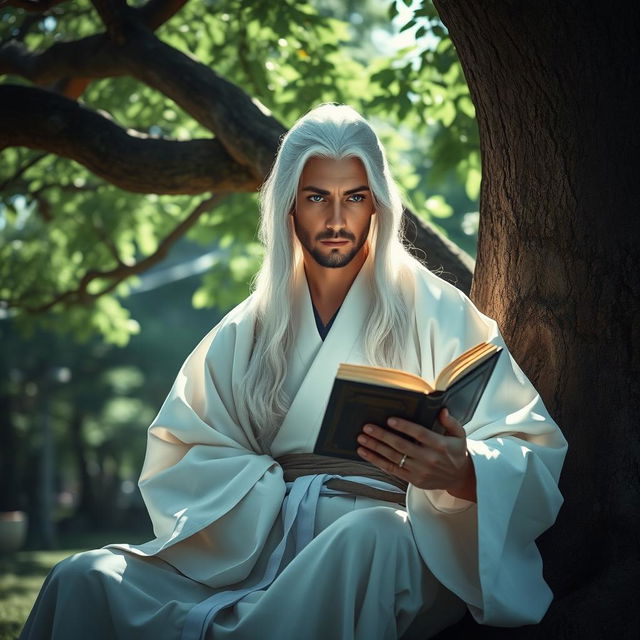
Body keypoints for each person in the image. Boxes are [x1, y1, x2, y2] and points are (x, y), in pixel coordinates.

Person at [20, 104, 567, 640]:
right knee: (83, 579)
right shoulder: (248, 328)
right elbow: (182, 453)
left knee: (368, 537)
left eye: (354, 198)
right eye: (316, 198)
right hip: (264, 546)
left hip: (393, 544)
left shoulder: (439, 311)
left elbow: (529, 443)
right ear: (289, 207)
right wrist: (271, 490)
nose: (335, 220)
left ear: (377, 204)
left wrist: (463, 472)